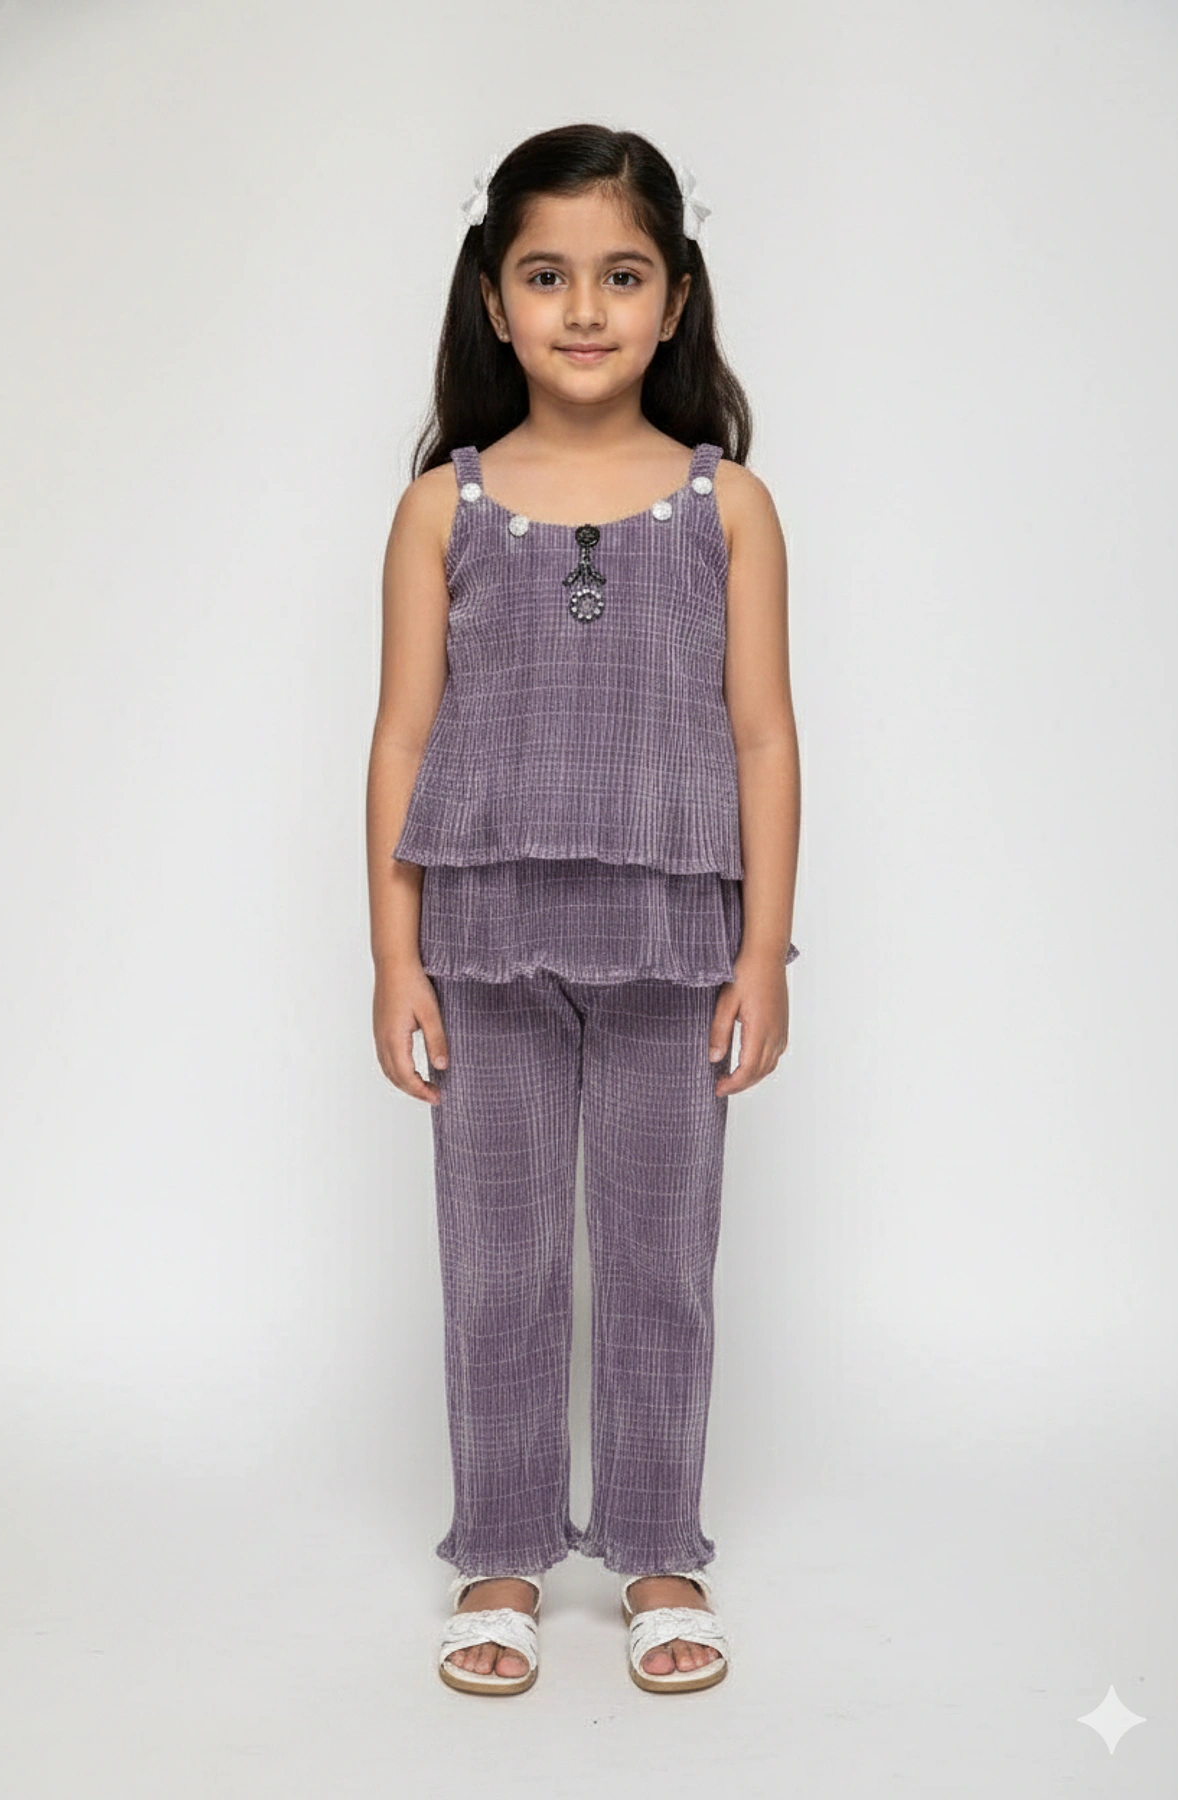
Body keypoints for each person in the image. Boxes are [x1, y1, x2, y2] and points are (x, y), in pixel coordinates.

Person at [365, 121, 801, 1697]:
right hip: (483, 940)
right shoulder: (446, 507)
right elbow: (402, 737)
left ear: (675, 298)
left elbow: (764, 736)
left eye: (622, 275)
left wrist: (763, 954)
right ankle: (497, 1550)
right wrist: (394, 958)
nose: (585, 308)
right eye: (547, 275)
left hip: (675, 945)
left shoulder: (728, 505)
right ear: (495, 299)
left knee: (661, 1258)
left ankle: (657, 1548)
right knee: (497, 1258)